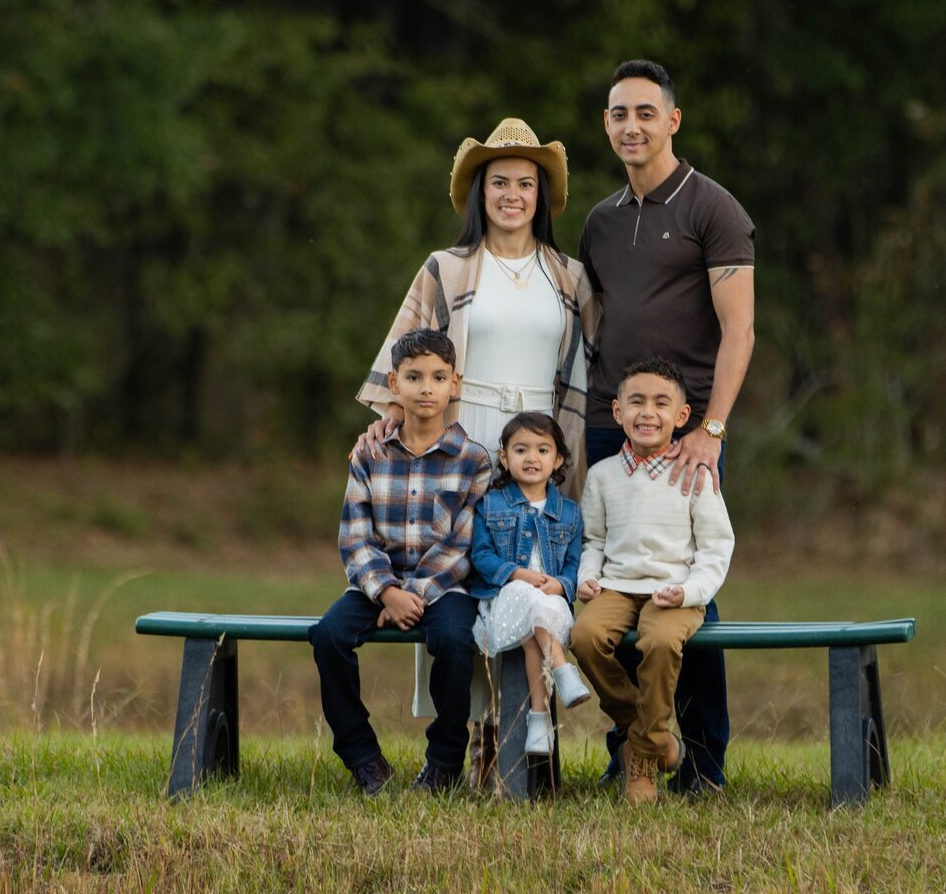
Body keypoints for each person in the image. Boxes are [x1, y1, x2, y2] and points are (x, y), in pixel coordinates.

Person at [355, 118, 598, 787]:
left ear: (542, 195)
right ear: (479, 193)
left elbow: (582, 377)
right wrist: (390, 422)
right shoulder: (448, 267)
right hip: (461, 433)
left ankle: (523, 747)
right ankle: (464, 743)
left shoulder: (569, 276)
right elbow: (404, 364)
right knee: (459, 584)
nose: (513, 195)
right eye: (500, 183)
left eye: (526, 183)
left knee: (525, 579)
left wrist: (565, 453)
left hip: (535, 443)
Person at [577, 59, 755, 793]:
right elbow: (591, 324)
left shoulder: (712, 209)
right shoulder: (601, 220)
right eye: (619, 114)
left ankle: (703, 762)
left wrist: (710, 429)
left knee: (688, 599)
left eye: (646, 112)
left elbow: (739, 328)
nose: (632, 126)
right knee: (608, 600)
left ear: (672, 121)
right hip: (607, 426)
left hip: (687, 434)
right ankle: (638, 752)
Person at [309, 329, 492, 796]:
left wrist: (416, 594)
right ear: (394, 383)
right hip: (377, 585)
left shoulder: (473, 460)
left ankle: (444, 762)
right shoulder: (370, 453)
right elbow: (354, 533)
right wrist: (386, 591)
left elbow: (464, 544)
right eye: (413, 377)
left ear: (456, 384)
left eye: (437, 377)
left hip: (443, 587)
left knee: (454, 640)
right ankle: (363, 758)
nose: (426, 388)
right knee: (328, 635)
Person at [570, 357, 734, 803]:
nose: (648, 412)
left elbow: (717, 547)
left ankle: (641, 758)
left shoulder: (696, 473)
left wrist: (690, 591)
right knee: (584, 635)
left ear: (682, 416)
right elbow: (594, 540)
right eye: (636, 402)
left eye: (661, 403)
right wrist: (588, 577)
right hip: (618, 587)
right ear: (617, 411)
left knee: (660, 643)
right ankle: (656, 737)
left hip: (675, 593)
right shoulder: (602, 476)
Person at [469, 412, 591, 756]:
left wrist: (561, 584)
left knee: (537, 617)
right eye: (521, 450)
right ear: (505, 458)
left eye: (542, 450)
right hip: (503, 599)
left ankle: (539, 720)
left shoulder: (570, 512)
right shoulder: (490, 505)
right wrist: (517, 574)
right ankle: (562, 670)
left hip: (549, 604)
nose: (532, 458)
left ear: (558, 459)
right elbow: (481, 555)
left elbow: (573, 564)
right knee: (524, 596)